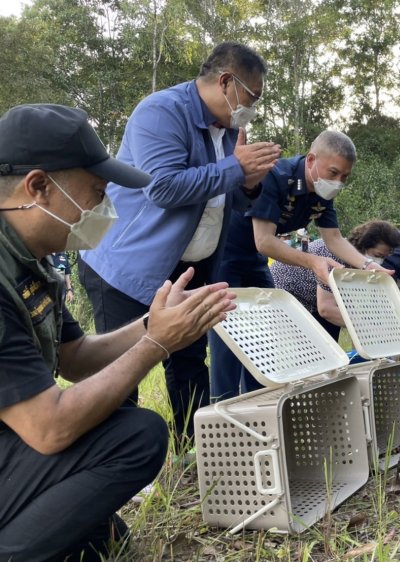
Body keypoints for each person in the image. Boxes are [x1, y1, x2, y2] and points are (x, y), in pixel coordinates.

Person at [0, 104, 236, 561]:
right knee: (137, 437)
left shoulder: (31, 259)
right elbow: (48, 428)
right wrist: (157, 345)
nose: (103, 208)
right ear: (38, 187)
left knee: (104, 535)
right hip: (22, 437)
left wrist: (153, 323)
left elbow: (76, 356)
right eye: (95, 192)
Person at [77, 42, 280, 448]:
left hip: (188, 267)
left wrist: (250, 184)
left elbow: (224, 200)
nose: (253, 107)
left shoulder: (228, 130)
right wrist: (235, 167)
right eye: (252, 96)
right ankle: (116, 463)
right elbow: (164, 188)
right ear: (226, 82)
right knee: (121, 367)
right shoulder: (161, 112)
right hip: (128, 266)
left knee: (188, 359)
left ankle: (198, 449)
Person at [212, 130, 391, 401]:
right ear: (310, 160)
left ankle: (257, 401)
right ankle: (222, 407)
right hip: (225, 255)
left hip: (254, 260)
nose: (338, 182)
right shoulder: (275, 177)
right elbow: (265, 241)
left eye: (344, 176)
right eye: (333, 173)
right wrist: (312, 262)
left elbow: (334, 238)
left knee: (264, 336)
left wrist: (366, 265)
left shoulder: (321, 192)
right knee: (230, 333)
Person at [271, 220, 400, 341]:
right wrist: (369, 329)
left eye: (384, 257)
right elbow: (326, 309)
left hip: (311, 300)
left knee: (330, 341)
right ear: (363, 245)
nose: (379, 261)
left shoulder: (355, 263)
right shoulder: (335, 255)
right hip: (284, 296)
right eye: (378, 255)